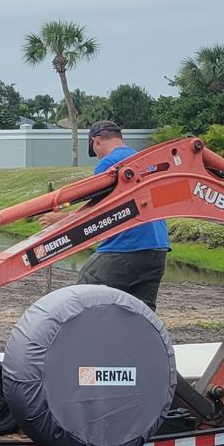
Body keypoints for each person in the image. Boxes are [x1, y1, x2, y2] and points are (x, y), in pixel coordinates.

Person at [76, 121, 169, 310]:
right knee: (140, 315)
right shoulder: (147, 162)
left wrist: (59, 219)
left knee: (83, 297)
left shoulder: (109, 164)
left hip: (125, 246)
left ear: (97, 141)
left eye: (96, 151)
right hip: (157, 250)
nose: (97, 157)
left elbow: (99, 211)